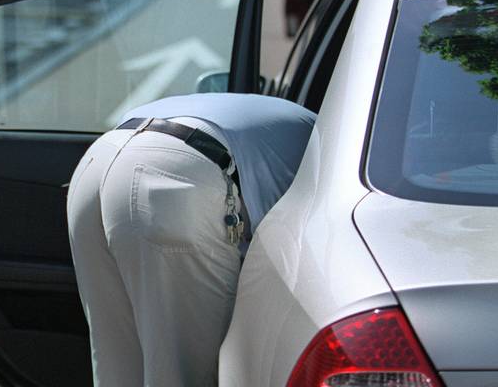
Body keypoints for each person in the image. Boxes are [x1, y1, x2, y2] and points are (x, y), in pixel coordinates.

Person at [67, 93, 315, 386]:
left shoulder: (297, 124)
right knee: (184, 376)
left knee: (115, 371)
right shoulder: (338, 143)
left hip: (98, 159)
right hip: (179, 173)